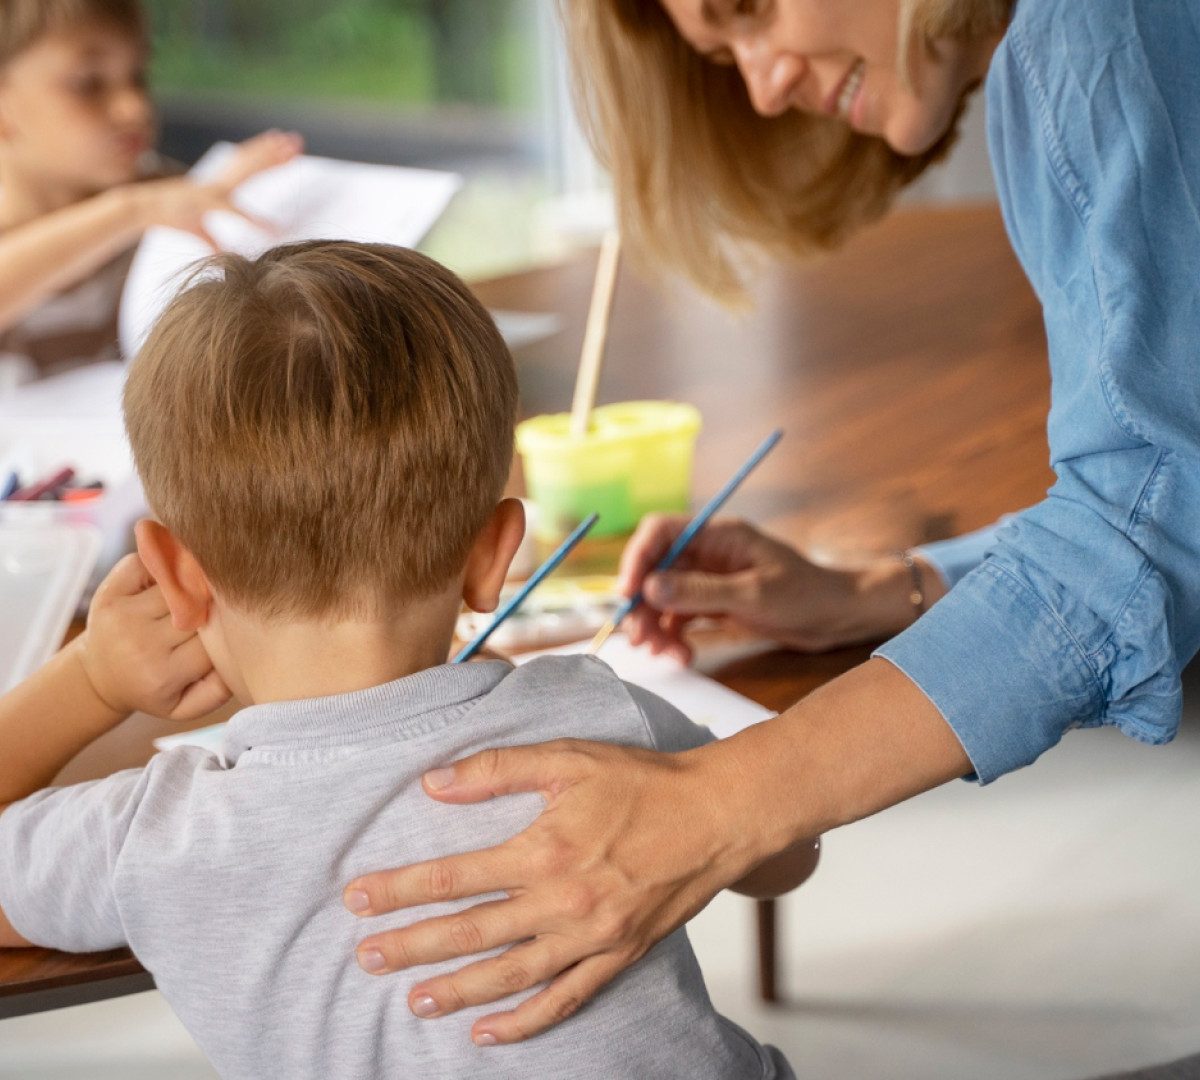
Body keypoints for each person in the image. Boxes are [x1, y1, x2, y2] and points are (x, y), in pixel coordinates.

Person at [339, 0, 1200, 1068]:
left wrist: (716, 807)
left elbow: (1140, 520)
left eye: (745, 13)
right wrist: (890, 588)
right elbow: (1171, 481)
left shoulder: (1086, 36)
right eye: (720, 54)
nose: (760, 86)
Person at [0, 239, 817, 1078]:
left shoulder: (153, 838)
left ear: (173, 574)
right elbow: (781, 851)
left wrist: (92, 678)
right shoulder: (599, 718)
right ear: (496, 552)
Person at [0, 0, 301, 382]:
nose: (135, 107)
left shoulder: (169, 197)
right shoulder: (152, 204)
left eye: (139, 75)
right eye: (88, 84)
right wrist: (131, 211)